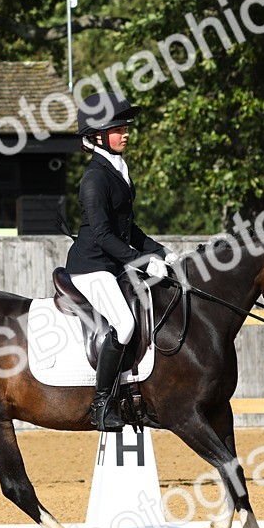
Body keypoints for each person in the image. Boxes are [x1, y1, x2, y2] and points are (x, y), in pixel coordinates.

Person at [65, 92, 177, 432]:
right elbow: (103, 235)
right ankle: (101, 404)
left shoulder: (117, 170)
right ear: (97, 136)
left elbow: (129, 229)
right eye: (118, 128)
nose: (125, 133)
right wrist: (142, 262)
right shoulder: (95, 178)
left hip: (112, 264)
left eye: (126, 127)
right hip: (91, 267)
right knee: (125, 325)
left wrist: (160, 251)